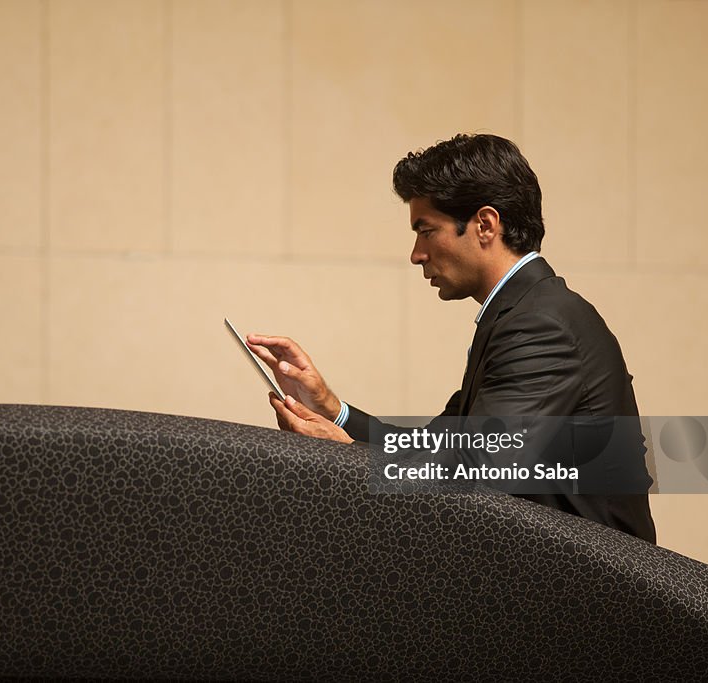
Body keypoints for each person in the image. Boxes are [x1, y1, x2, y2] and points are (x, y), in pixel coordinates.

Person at [246, 133, 656, 544]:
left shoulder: (541, 323)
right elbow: (434, 446)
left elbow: (475, 467)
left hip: (593, 594)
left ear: (485, 225)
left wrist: (346, 455)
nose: (416, 253)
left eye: (426, 230)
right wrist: (333, 412)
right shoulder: (523, 312)